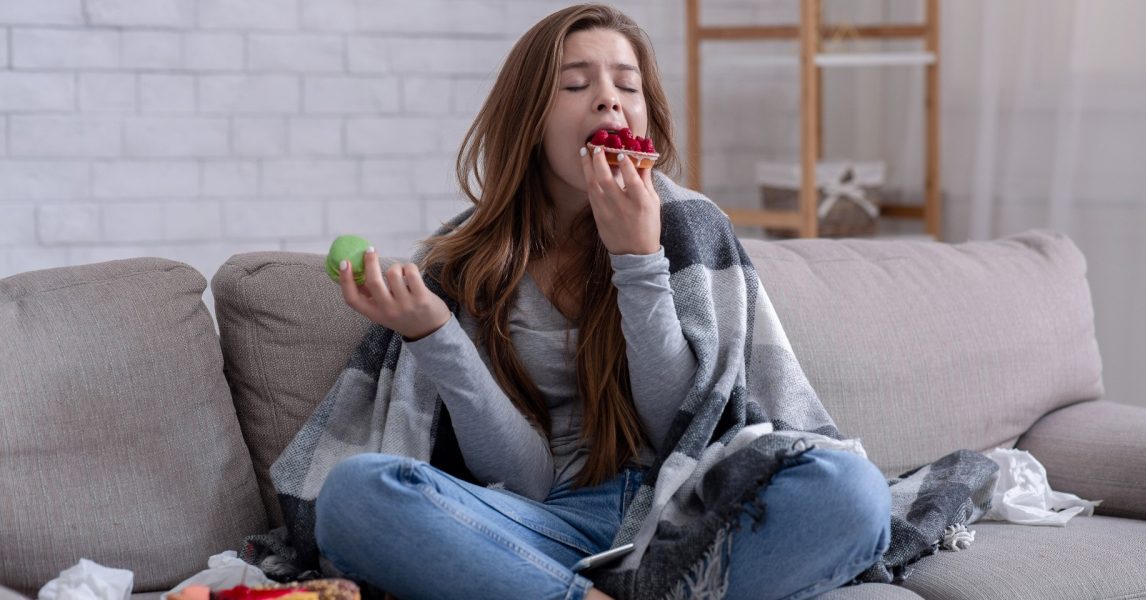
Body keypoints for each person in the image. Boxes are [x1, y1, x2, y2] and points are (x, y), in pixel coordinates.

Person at [312, 4, 891, 599]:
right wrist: (433, 334)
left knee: (852, 492)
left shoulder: (691, 227)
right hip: (542, 526)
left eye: (627, 84)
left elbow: (684, 434)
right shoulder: (468, 263)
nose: (609, 99)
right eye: (575, 84)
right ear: (529, 118)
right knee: (358, 494)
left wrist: (638, 261)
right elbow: (527, 479)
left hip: (686, 515)